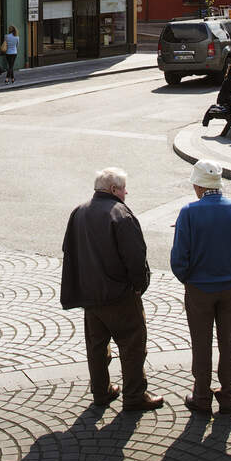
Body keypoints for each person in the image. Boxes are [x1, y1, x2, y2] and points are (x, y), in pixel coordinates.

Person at [60, 167, 164, 412]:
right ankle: (135, 395)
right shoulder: (120, 213)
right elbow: (136, 257)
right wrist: (139, 286)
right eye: (124, 188)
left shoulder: (79, 212)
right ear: (114, 189)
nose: (126, 192)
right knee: (132, 345)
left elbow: (69, 251)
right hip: (119, 296)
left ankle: (101, 391)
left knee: (96, 346)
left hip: (90, 296)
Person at [170, 160, 231, 415]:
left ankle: (201, 394)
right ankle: (228, 393)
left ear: (198, 186)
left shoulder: (189, 212)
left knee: (201, 340)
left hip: (199, 287)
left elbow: (179, 257)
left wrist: (187, 278)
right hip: (230, 286)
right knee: (228, 340)